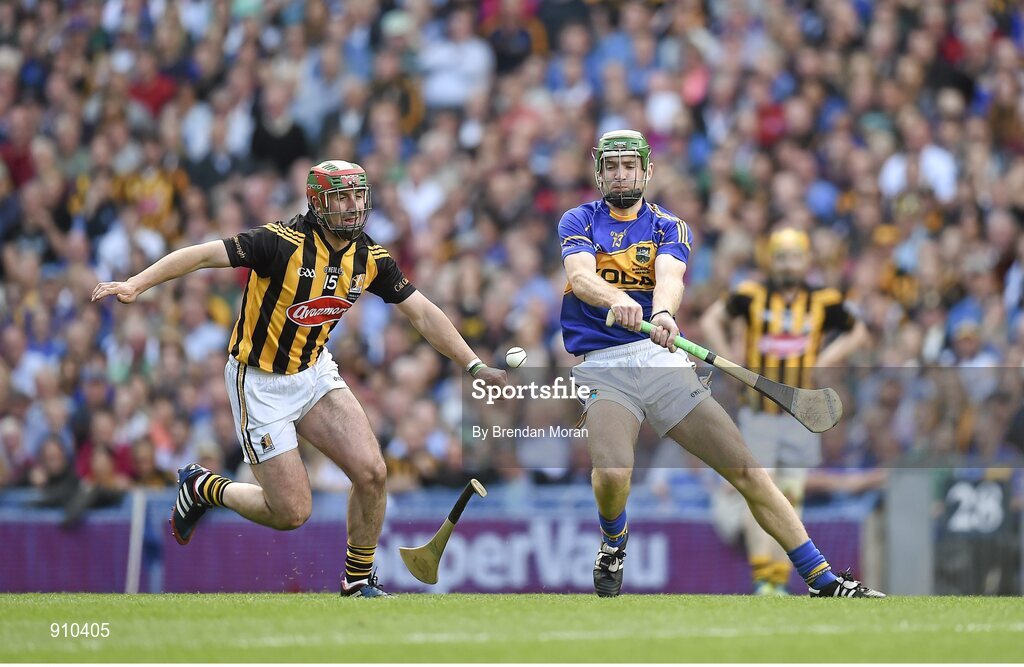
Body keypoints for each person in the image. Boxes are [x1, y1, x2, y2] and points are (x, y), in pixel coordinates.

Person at [93, 160, 507, 597]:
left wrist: (473, 365)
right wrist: (137, 284)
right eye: (341, 197)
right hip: (259, 382)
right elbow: (200, 255)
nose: (353, 206)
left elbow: (422, 312)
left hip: (313, 371)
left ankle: (358, 580)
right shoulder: (278, 243)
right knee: (292, 512)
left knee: (372, 472)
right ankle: (204, 487)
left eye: (358, 195)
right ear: (316, 203)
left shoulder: (368, 256)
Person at [558, 130, 884, 598]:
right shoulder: (579, 219)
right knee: (613, 474)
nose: (620, 174)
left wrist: (663, 312)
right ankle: (614, 541)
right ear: (599, 172)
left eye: (629, 165)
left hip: (658, 357)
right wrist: (618, 298)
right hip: (602, 363)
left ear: (647, 171)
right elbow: (581, 277)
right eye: (611, 166)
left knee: (748, 472)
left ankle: (823, 579)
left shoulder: (670, 226)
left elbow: (671, 276)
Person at [700, 228, 870, 595]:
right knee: (759, 489)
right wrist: (729, 354)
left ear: (806, 260)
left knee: (791, 493)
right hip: (758, 412)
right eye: (780, 257)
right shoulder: (750, 293)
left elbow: (859, 332)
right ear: (769, 260)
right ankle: (764, 577)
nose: (787, 264)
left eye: (794, 257)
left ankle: (778, 578)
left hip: (800, 414)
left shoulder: (824, 299)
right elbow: (711, 319)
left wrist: (827, 358)